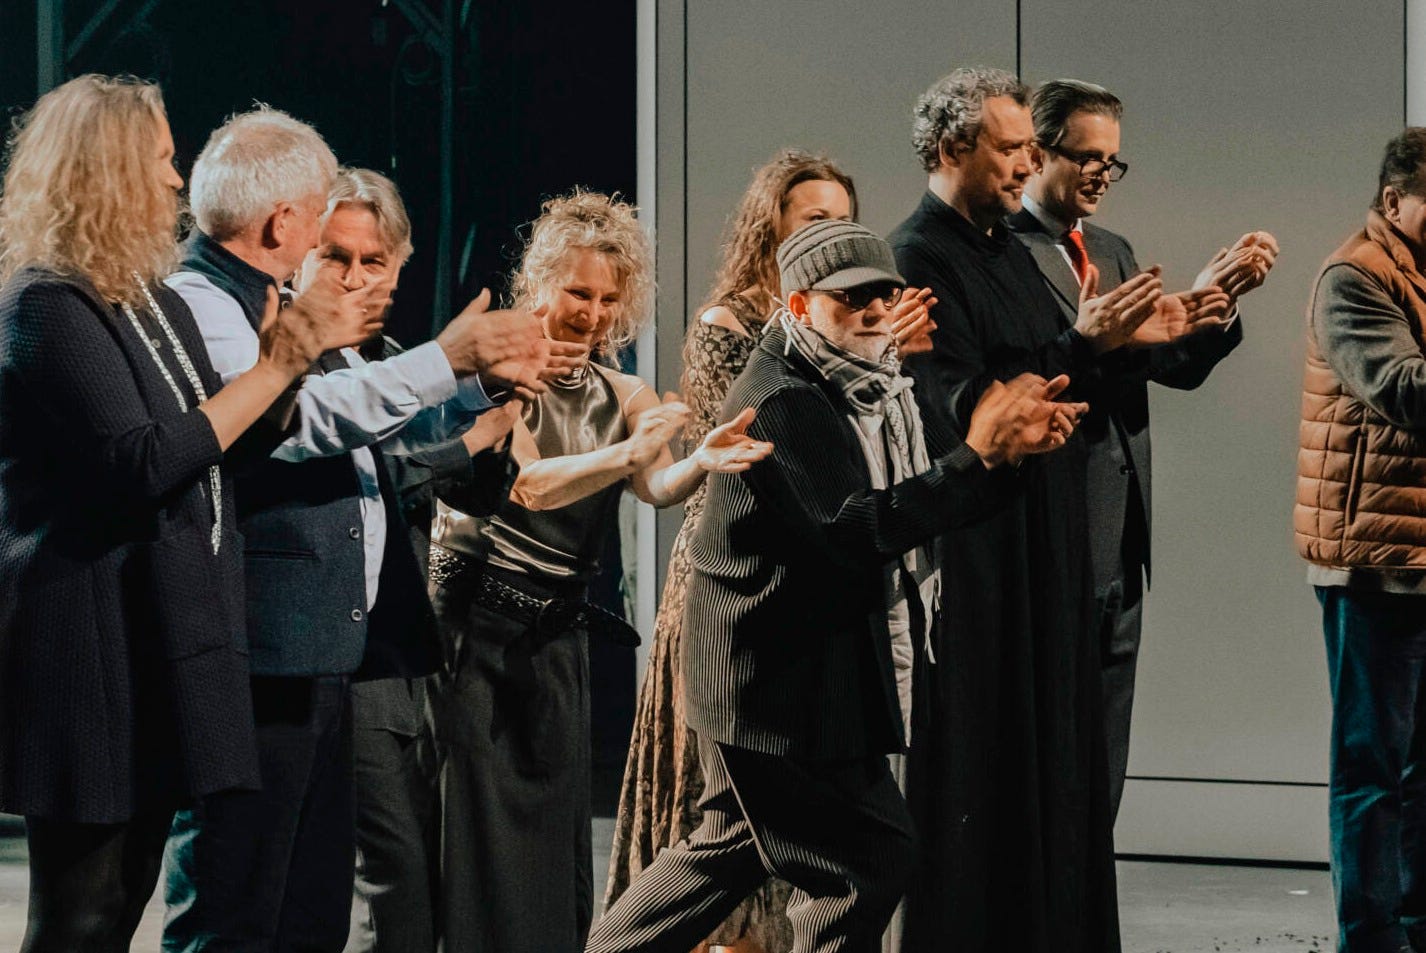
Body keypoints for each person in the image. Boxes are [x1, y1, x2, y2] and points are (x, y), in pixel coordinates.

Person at [585, 218, 1088, 953]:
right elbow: (856, 530)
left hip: (790, 675)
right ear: (798, 306)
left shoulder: (872, 390)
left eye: (884, 295)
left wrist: (1003, 458)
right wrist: (979, 457)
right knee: (867, 860)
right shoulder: (785, 397)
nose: (875, 312)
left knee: (729, 850)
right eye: (851, 299)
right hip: (775, 687)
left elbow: (918, 497)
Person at [161, 108, 566, 951]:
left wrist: (475, 381)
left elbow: (380, 427)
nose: (332, 253)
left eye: (368, 257)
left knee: (306, 907)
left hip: (326, 649)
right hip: (263, 644)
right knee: (237, 904)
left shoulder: (276, 307)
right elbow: (295, 423)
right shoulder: (206, 300)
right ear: (286, 223)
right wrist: (449, 361)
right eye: (321, 224)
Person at [0, 74, 362, 952]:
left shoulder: (146, 298)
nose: (175, 180)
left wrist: (287, 373)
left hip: (152, 635)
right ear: (109, 170)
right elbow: (142, 462)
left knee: (124, 899)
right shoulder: (45, 303)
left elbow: (217, 444)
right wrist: (274, 369)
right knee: (82, 915)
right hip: (84, 644)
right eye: (162, 159)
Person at [886, 65, 1224, 953]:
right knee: (994, 784)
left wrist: (1130, 338)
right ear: (951, 147)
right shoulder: (918, 254)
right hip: (986, 551)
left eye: (1029, 149)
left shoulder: (1001, 246)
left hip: (1050, 538)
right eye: (1011, 148)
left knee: (1062, 776)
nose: (1025, 164)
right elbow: (962, 403)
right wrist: (1082, 342)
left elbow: (1060, 366)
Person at [423, 189, 774, 953]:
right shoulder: (500, 371)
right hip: (474, 629)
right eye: (579, 292)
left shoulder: (624, 392)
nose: (592, 311)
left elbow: (656, 485)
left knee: (552, 839)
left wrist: (702, 461)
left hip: (554, 637)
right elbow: (528, 485)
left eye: (609, 298)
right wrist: (627, 453)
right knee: (475, 832)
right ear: (541, 283)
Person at [604, 148, 933, 953]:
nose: (833, 233)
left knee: (737, 837)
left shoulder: (849, 346)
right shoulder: (749, 342)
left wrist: (884, 353)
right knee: (819, 846)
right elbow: (785, 465)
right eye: (815, 219)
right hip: (742, 592)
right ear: (776, 230)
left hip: (802, 602)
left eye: (844, 219)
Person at [1006, 78, 1276, 818]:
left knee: (1105, 745)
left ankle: (1094, 876)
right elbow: (1026, 380)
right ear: (1037, 152)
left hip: (1122, 532)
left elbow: (1167, 368)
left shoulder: (1112, 249)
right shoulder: (1003, 254)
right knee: (1048, 747)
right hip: (1053, 524)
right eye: (1087, 157)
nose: (1102, 174)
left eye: (1112, 161)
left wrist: (1215, 306)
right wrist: (1091, 342)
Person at [290, 168, 524, 953]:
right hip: (328, 654)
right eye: (336, 256)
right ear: (301, 254)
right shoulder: (286, 360)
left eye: (374, 261)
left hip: (400, 651)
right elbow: (371, 467)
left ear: (399, 266)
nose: (355, 277)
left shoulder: (396, 359)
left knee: (400, 863)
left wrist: (493, 400)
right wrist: (467, 438)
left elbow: (470, 493)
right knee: (386, 871)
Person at [1296, 127, 1426, 953]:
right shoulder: (1354, 277)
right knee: (1373, 766)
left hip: (1422, 556)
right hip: (1378, 565)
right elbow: (1404, 389)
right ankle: (1371, 937)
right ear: (1393, 200)